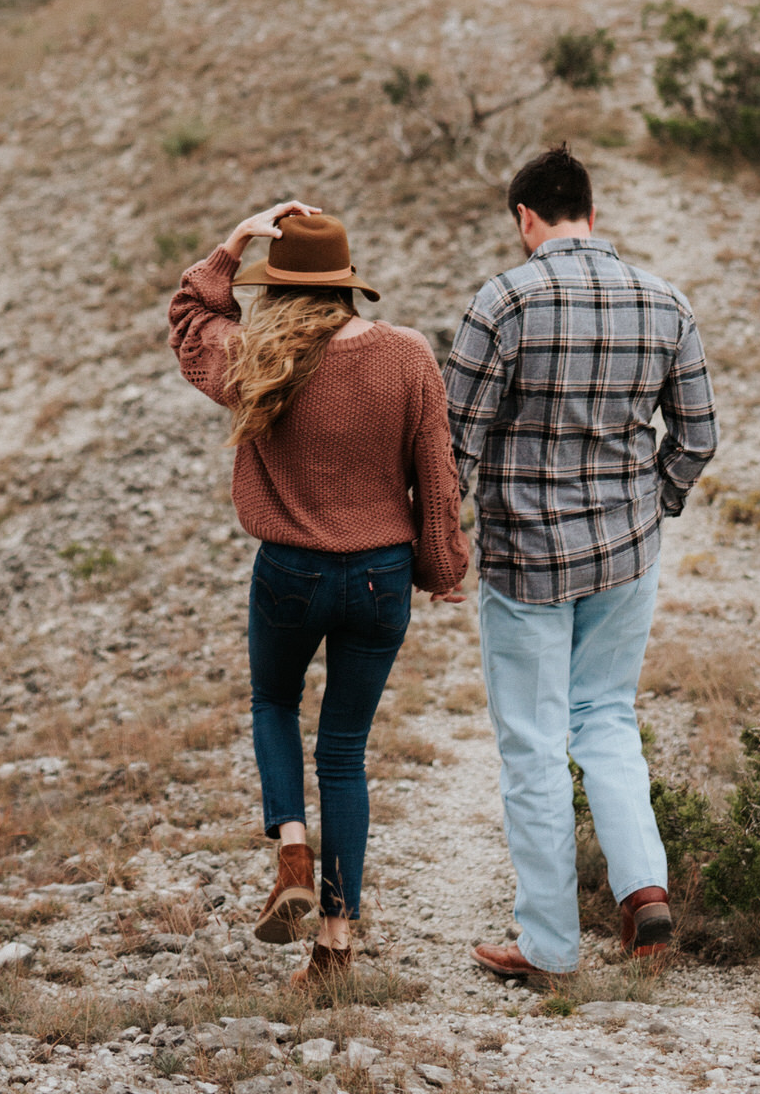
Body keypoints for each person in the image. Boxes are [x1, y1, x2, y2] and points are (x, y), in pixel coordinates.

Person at [170, 200, 469, 985]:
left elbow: (189, 315)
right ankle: (336, 943)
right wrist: (441, 567)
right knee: (344, 754)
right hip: (379, 578)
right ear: (347, 284)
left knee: (273, 704)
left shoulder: (254, 354)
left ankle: (291, 849)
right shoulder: (408, 355)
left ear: (278, 285)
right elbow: (435, 472)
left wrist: (233, 243)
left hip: (290, 574)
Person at [443, 144, 717, 982]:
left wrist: (442, 537)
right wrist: (650, 504)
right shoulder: (665, 301)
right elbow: (698, 438)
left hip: (526, 560)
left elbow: (454, 440)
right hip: (626, 557)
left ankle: (551, 948)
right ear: (591, 213)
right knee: (606, 719)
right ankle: (642, 888)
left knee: (531, 743)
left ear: (526, 219)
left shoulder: (504, 301)